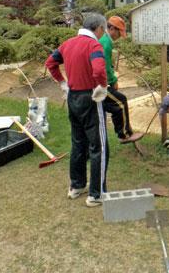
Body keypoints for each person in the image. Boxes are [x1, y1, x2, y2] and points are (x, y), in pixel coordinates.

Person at [45, 13, 109, 207]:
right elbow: (99, 70)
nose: (104, 33)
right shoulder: (94, 46)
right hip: (91, 98)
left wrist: (62, 83)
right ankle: (96, 194)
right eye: (104, 29)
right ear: (99, 28)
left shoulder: (67, 44)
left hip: (72, 98)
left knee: (78, 143)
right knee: (98, 146)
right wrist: (102, 86)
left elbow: (50, 63)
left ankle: (76, 186)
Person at [99, 16, 143, 143]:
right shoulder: (106, 43)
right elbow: (105, 66)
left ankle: (122, 131)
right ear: (112, 28)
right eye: (119, 33)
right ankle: (124, 135)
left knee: (114, 105)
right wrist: (113, 81)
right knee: (121, 102)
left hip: (95, 83)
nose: (119, 36)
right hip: (98, 85)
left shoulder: (103, 39)